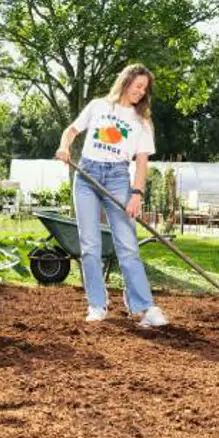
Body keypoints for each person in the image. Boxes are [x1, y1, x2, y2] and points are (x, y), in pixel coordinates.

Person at [55, 64, 169, 328]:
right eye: (138, 85)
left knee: (127, 246)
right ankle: (96, 305)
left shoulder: (142, 122)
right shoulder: (97, 106)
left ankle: (144, 308)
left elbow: (141, 162)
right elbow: (71, 131)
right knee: (90, 245)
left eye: (145, 89)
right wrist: (64, 147)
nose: (141, 92)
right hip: (86, 176)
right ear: (125, 81)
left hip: (118, 178)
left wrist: (137, 194)